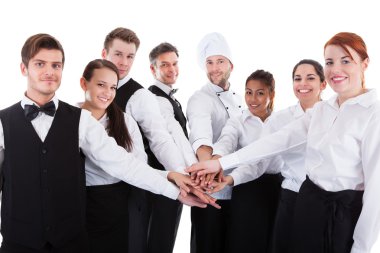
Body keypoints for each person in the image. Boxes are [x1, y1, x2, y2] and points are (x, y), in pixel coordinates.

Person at [0, 33, 217, 253]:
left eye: (56, 65)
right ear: (23, 68)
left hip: (69, 241)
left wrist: (174, 189)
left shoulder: (81, 120)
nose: (49, 72)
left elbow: (124, 163)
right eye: (40, 64)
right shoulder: (2, 122)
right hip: (17, 241)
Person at [187, 32, 380, 253]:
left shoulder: (373, 114)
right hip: (308, 206)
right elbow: (275, 142)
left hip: (343, 214)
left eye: (346, 61)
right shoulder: (323, 110)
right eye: (329, 62)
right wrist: (220, 163)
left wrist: (362, 248)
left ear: (365, 63)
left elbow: (376, 192)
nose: (336, 69)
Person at [101, 28, 188, 253]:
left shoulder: (140, 96)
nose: (123, 62)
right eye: (118, 54)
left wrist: (181, 175)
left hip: (130, 192)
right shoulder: (94, 88)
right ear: (104, 53)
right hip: (95, 195)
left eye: (130, 56)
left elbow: (160, 140)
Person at [211, 69, 283, 253]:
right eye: (248, 92)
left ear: (271, 94)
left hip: (275, 188)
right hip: (245, 187)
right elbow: (226, 141)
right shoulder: (238, 121)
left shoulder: (282, 122)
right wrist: (216, 160)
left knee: (272, 241)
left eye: (260, 93)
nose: (252, 99)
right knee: (242, 240)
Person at [186, 32, 243, 253]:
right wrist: (208, 170)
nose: (214, 68)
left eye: (220, 61)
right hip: (210, 191)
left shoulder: (239, 98)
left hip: (235, 186)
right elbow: (201, 139)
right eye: (209, 63)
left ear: (231, 65)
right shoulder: (200, 98)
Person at [266, 59, 326, 253]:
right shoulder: (280, 119)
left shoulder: (337, 116)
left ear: (323, 84)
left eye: (310, 78)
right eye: (297, 79)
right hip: (291, 197)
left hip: (324, 200)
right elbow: (262, 155)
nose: (303, 84)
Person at [147, 42, 197, 253]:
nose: (172, 70)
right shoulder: (156, 98)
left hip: (174, 180)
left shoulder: (170, 97)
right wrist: (191, 173)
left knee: (164, 239)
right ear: (153, 69)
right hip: (164, 181)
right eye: (165, 65)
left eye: (175, 64)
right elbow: (172, 141)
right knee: (159, 240)